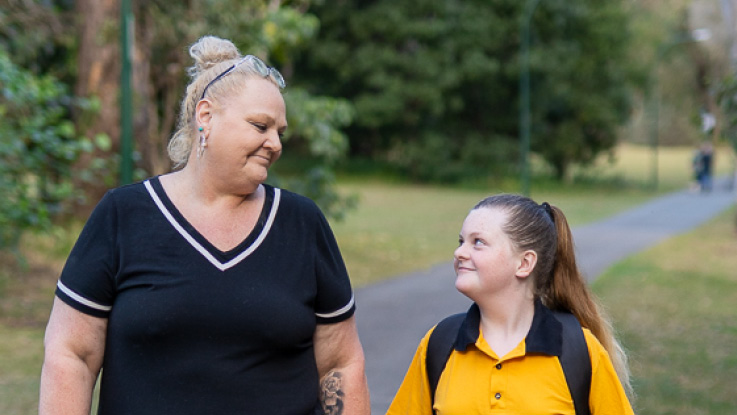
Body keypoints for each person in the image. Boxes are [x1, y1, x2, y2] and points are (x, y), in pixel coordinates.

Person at [39, 35, 370, 415]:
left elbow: (341, 364)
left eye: (280, 131)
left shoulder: (302, 223)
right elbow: (71, 354)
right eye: (261, 126)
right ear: (206, 116)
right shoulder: (124, 214)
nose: (275, 143)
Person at [386, 194, 634, 415]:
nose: (460, 252)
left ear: (524, 263)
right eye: (461, 241)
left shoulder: (578, 349)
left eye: (478, 242)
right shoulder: (440, 343)